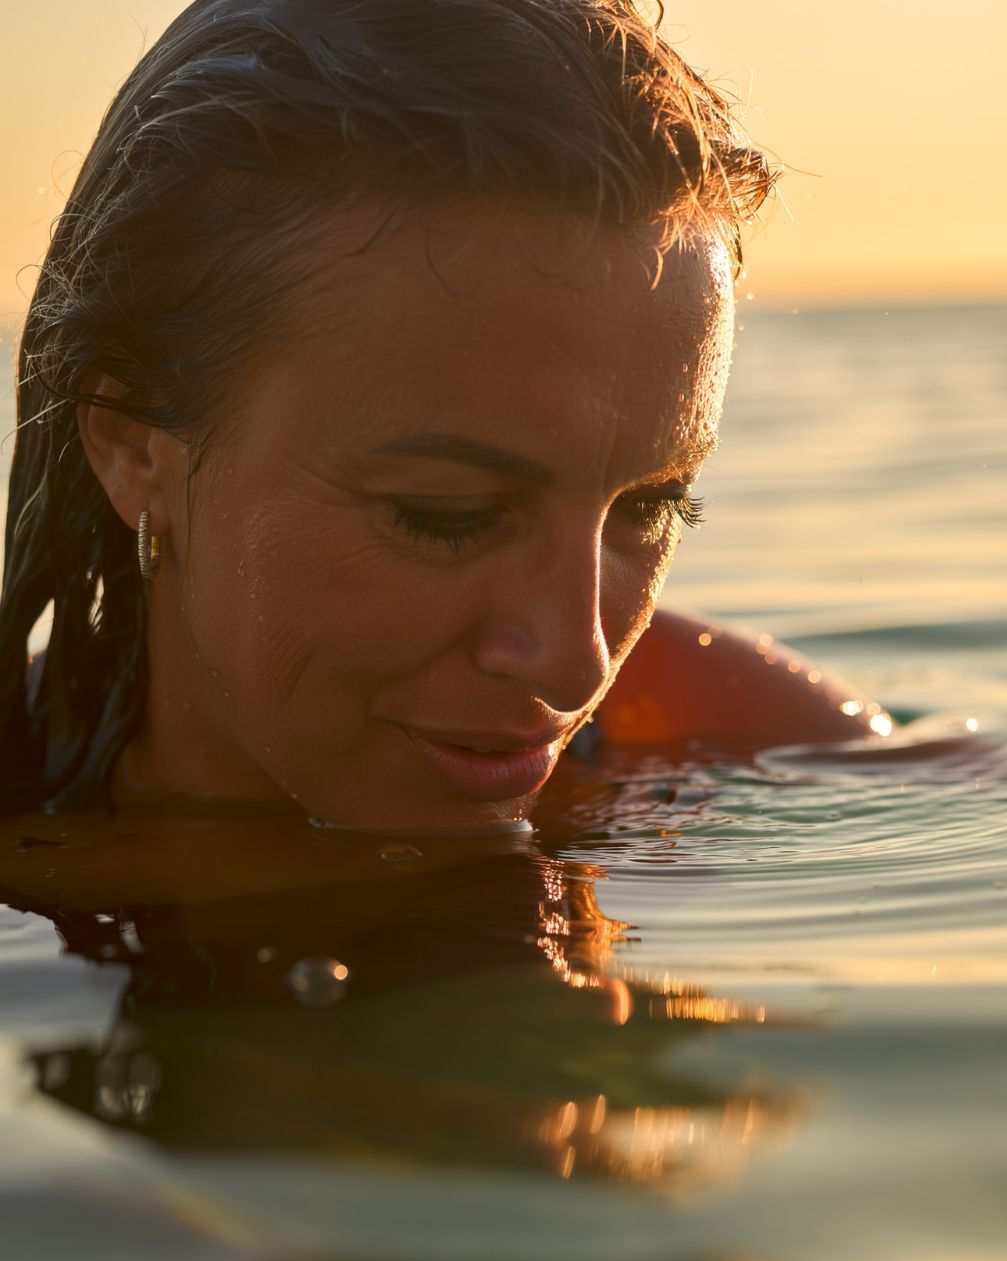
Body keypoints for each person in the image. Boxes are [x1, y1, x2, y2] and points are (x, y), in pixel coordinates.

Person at [0, 0, 881, 834]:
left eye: (650, 507)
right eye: (445, 516)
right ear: (130, 447)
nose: (577, 665)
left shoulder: (720, 737)